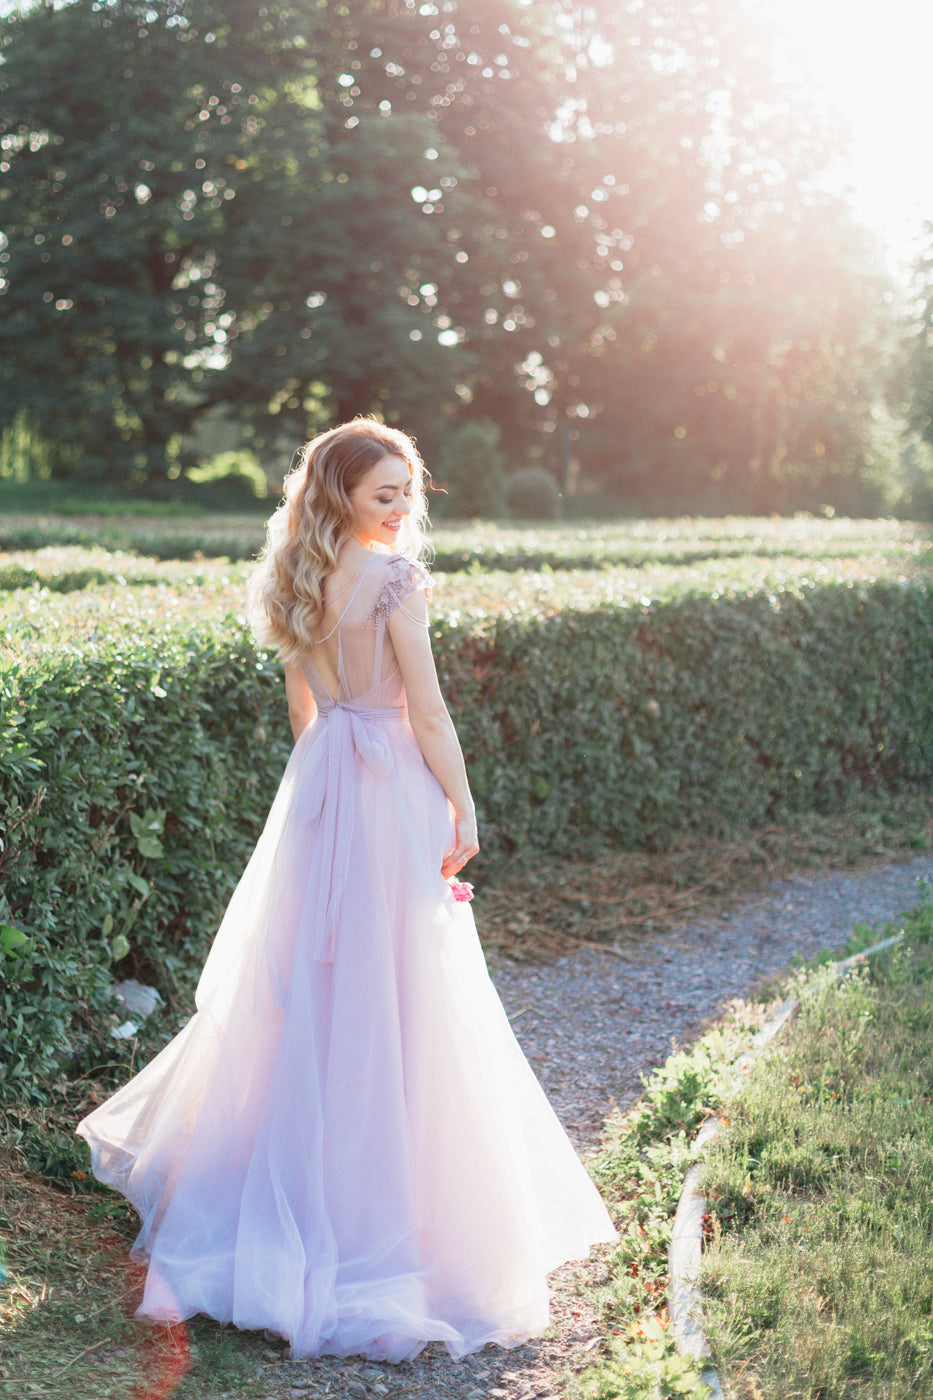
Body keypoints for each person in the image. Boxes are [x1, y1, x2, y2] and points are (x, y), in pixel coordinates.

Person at [77, 418, 616, 1363]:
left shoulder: (290, 573)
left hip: (323, 777)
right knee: (398, 985)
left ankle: (286, 1199)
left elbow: (302, 705)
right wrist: (462, 803)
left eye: (409, 492)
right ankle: (391, 1219)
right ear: (340, 496)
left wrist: (320, 784)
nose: (404, 509)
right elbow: (430, 706)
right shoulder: (393, 580)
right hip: (386, 781)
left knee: (308, 985)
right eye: (385, 494)